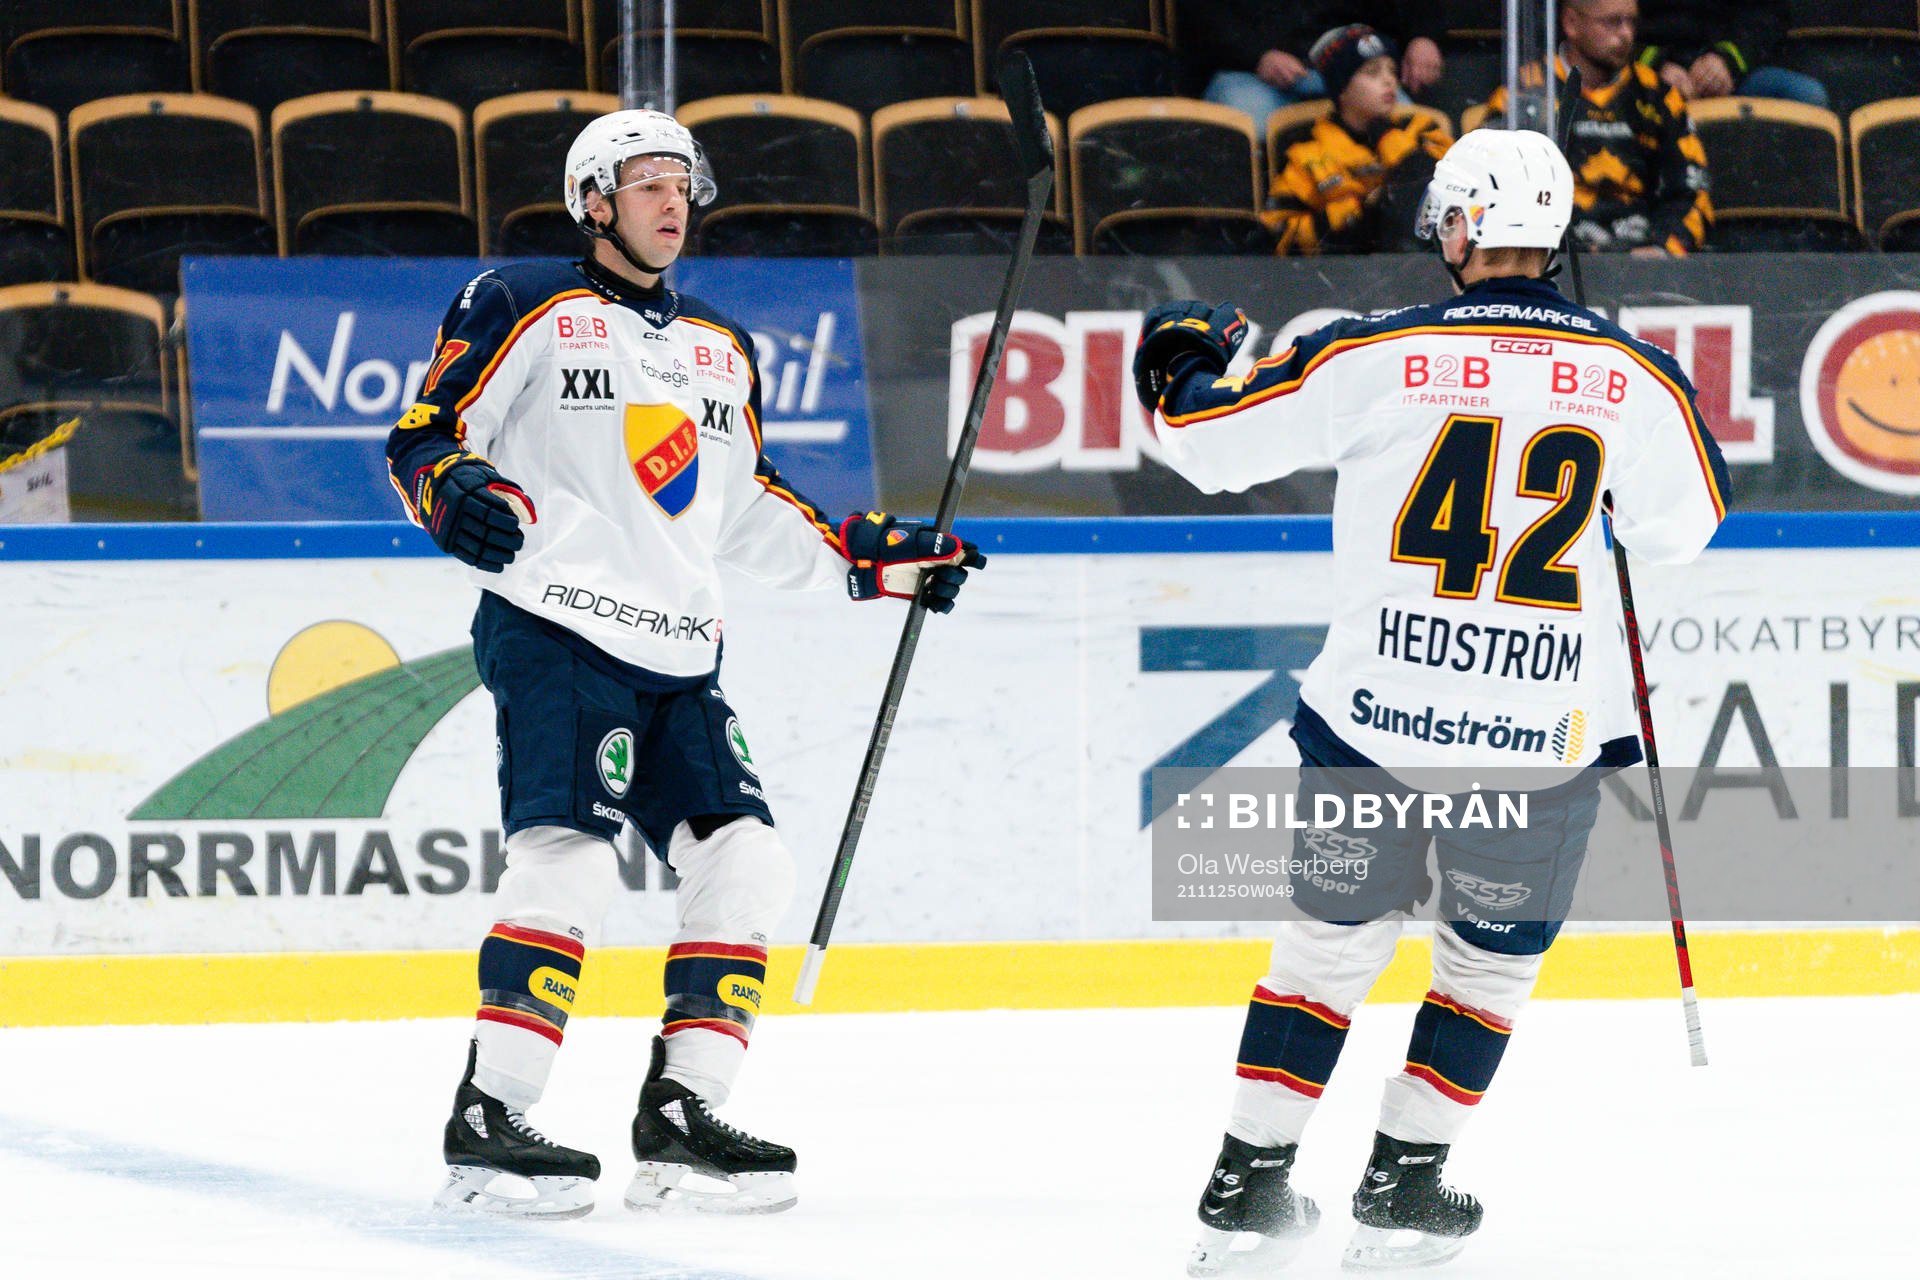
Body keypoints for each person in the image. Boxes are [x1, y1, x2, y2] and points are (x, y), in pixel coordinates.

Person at [1131, 128, 1729, 1272]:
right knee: (1490, 964)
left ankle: (1248, 1181)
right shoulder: (1638, 374)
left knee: (1325, 951)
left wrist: (1177, 362)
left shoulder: (1377, 351)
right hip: (1540, 739)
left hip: (1379, 725)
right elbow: (1684, 526)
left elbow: (1205, 444)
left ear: (1458, 227)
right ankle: (1406, 1180)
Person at [389, 109, 984, 1219]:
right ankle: (488, 1118)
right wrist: (449, 488)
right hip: (556, 626)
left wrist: (880, 562)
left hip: (680, 653)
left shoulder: (720, 345)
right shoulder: (523, 300)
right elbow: (426, 433)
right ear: (593, 202)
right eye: (647, 181)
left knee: (746, 859)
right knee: (565, 859)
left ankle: (680, 1117)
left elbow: (745, 506)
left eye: (683, 181)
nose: (672, 200)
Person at [1486, 0, 1714, 256]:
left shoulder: (1659, 96)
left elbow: (1693, 191)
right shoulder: (1522, 93)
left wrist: (1664, 249)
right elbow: (1491, 191)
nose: (1626, 34)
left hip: (1645, 262)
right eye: (1612, 22)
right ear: (1571, 23)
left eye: (1631, 22)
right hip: (1556, 261)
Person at [1265, 24, 1452, 256]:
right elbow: (1280, 236)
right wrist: (1360, 212)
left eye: (1392, 71)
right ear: (1342, 89)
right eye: (1372, 72)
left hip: (1421, 269)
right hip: (1341, 277)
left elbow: (1444, 194)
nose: (1389, 81)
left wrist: (1387, 136)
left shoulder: (1422, 128)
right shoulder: (1307, 151)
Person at [1181, 1, 1445, 139]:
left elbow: (1415, 8)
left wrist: (1422, 38)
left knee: (1410, 129)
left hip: (1350, 73)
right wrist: (1258, 56)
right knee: (1253, 129)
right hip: (1250, 73)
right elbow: (1202, 17)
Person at [1635, 0, 1828, 109]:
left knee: (1806, 96)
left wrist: (1727, 60)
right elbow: (1608, 27)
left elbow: (1767, 17)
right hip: (1645, 74)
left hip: (1728, 70)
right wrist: (1655, 66)